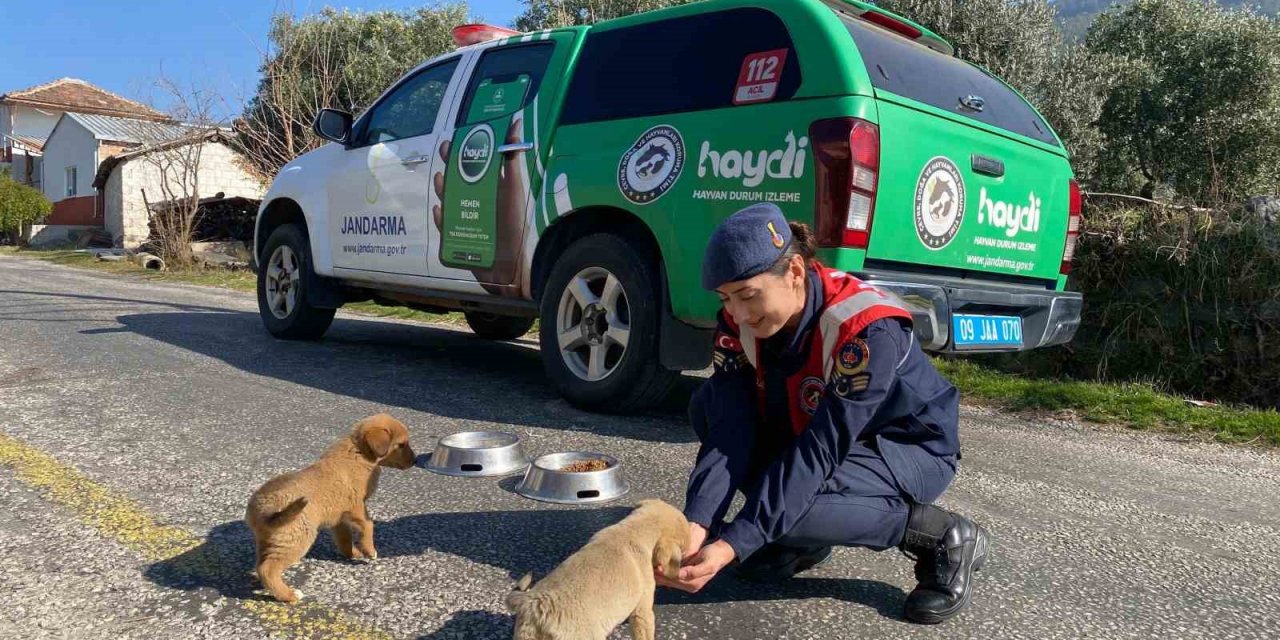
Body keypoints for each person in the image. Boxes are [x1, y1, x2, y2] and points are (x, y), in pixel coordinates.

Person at [657, 203, 989, 625]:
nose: (736, 314)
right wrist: (698, 522)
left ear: (794, 271)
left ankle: (943, 534)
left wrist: (734, 543)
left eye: (747, 295)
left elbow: (818, 453)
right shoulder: (740, 321)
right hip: (824, 438)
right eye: (726, 298)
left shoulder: (864, 329)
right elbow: (729, 429)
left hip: (908, 448)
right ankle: (799, 538)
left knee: (796, 506)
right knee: (708, 407)